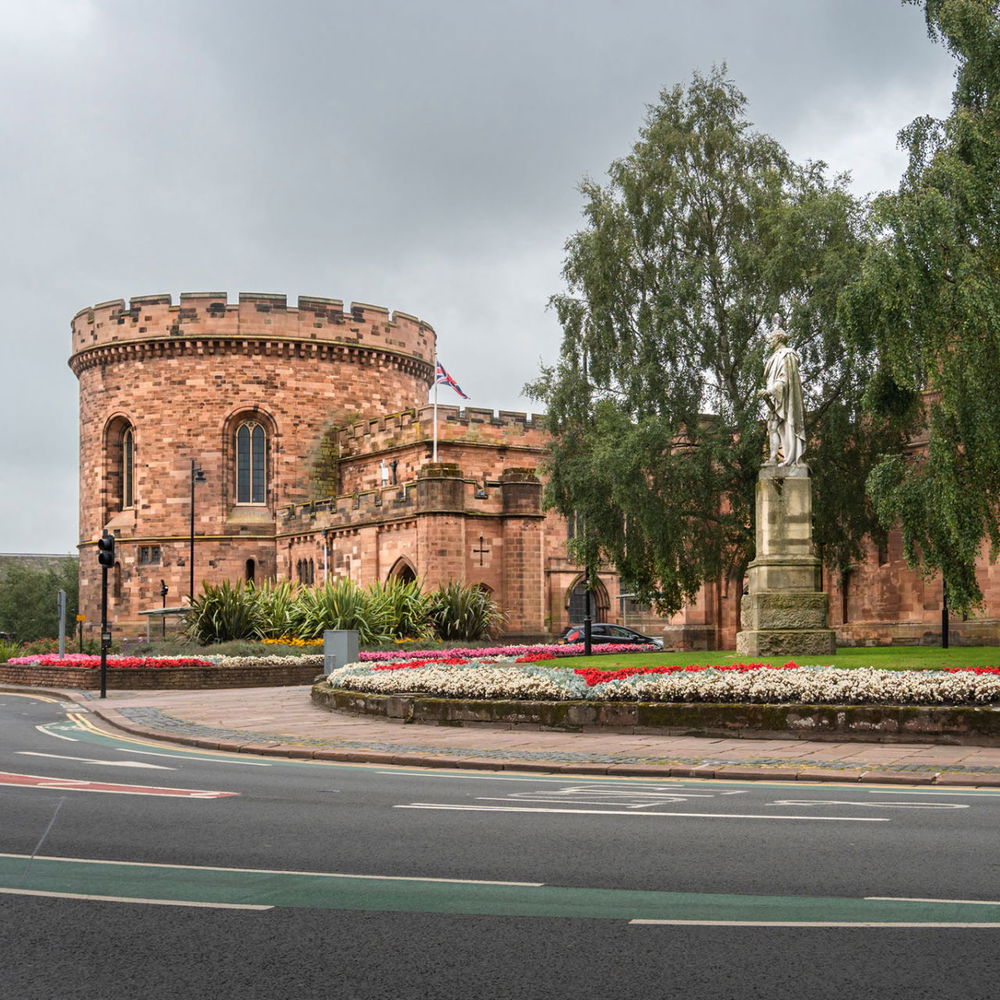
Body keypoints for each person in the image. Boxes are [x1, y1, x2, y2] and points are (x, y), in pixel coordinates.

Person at [758, 315, 806, 466]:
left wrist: (770, 390)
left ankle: (792, 459)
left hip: (785, 397)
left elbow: (784, 378)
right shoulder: (773, 357)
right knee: (772, 427)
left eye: (771, 338)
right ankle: (772, 459)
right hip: (775, 398)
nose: (769, 341)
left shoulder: (787, 354)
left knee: (787, 426)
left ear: (778, 338)